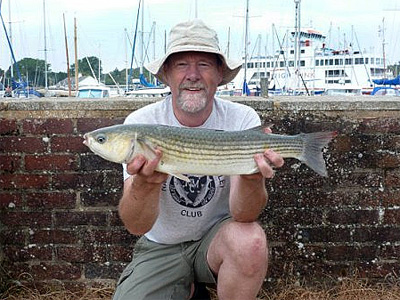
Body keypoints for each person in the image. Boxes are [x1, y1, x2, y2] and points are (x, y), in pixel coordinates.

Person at [113, 19, 284, 300]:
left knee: (250, 240)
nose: (192, 75)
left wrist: (252, 178)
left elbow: (245, 215)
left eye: (203, 64)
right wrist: (145, 185)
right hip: (162, 245)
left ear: (219, 74)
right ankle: (187, 288)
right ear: (166, 74)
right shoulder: (141, 124)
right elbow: (136, 226)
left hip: (217, 240)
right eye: (181, 65)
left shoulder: (242, 119)